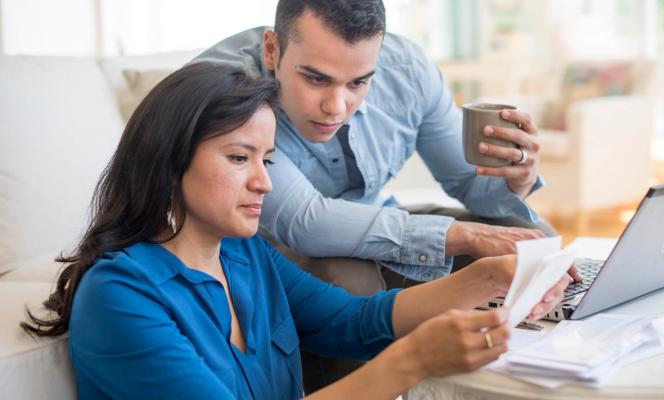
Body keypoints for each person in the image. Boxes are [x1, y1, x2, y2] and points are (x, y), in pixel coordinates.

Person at [21, 62, 571, 399]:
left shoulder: (245, 254)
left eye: (267, 159)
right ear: (169, 162)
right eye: (239, 158)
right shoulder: (121, 296)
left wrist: (490, 276)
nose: (264, 182)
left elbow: (354, 320)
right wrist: (414, 361)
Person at [195, 0, 582, 390]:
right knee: (346, 276)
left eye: (358, 82)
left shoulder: (407, 71)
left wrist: (519, 176)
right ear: (272, 50)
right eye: (315, 79)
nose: (336, 107)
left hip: (377, 220)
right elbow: (305, 222)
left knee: (526, 239)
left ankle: (557, 372)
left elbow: (472, 188)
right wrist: (464, 236)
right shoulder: (229, 89)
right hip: (274, 246)